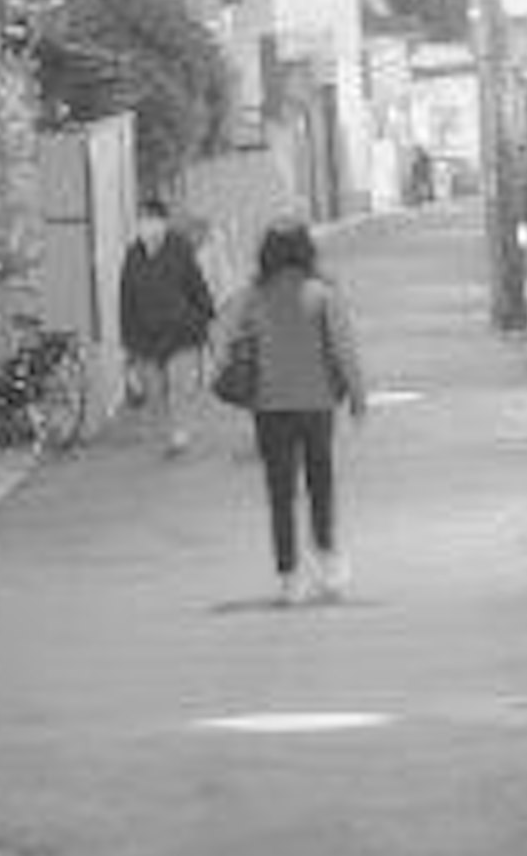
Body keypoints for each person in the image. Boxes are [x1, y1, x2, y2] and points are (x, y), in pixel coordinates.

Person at [211, 213, 368, 598]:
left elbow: (221, 336)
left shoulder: (252, 294)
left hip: (269, 405)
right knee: (320, 482)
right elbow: (343, 348)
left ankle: (289, 578)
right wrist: (358, 396)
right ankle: (328, 561)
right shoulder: (320, 292)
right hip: (316, 404)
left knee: (280, 492)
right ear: (306, 250)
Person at [115, 192, 218, 452]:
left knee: (178, 384)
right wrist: (127, 340)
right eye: (142, 220)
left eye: (152, 219)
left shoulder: (179, 248)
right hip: (145, 336)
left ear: (163, 221)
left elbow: (196, 285)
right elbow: (126, 298)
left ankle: (179, 431)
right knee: (154, 391)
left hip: (180, 332)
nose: (147, 225)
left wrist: (203, 317)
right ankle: (167, 431)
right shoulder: (132, 255)